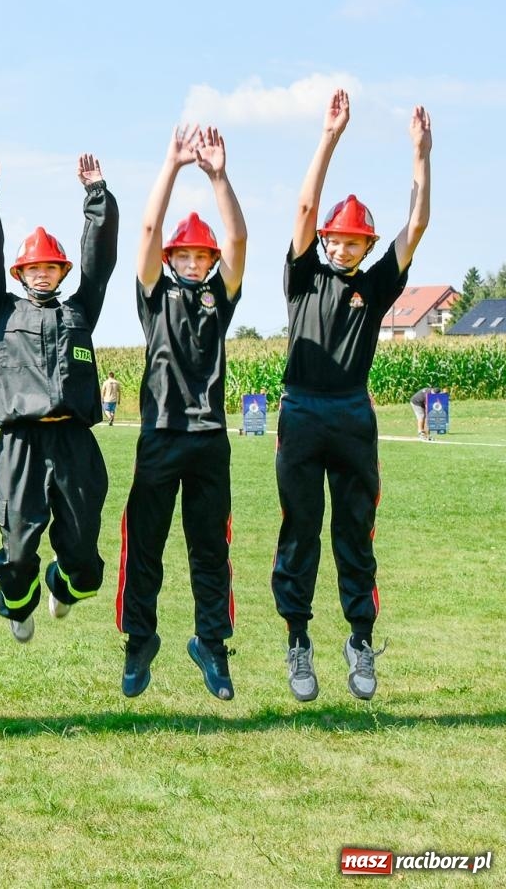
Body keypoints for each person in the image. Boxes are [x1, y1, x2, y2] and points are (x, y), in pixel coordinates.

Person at [274, 91, 431, 702]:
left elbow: (415, 225)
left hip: (351, 413)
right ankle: (297, 641)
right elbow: (308, 204)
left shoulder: (376, 286)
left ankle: (360, 640)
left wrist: (420, 153)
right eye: (334, 239)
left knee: (355, 530)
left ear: (365, 248)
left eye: (352, 242)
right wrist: (329, 136)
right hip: (301, 410)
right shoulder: (303, 275)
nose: (340, 247)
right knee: (300, 529)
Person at [115, 125, 247, 700]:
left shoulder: (221, 298)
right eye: (184, 256)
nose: (194, 264)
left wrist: (219, 176)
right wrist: (170, 164)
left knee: (210, 550)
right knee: (144, 546)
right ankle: (140, 643)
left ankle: (211, 646)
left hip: (210, 438)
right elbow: (145, 230)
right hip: (160, 437)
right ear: (171, 259)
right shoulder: (155, 294)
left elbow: (240, 243)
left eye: (202, 257)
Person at [0, 149, 118, 643]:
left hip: (74, 444)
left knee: (83, 558)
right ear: (20, 274)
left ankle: (62, 584)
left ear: (62, 272)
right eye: (33, 268)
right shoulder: (2, 313)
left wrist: (96, 197)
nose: (41, 274)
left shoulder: (81, 312)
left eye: (50, 268)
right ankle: (18, 603)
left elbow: (101, 261)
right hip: (20, 446)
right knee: (15, 549)